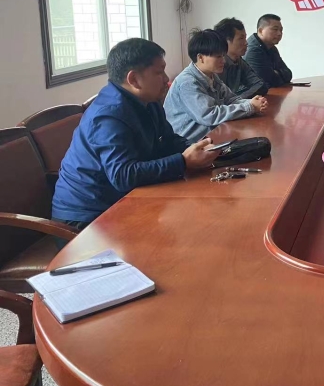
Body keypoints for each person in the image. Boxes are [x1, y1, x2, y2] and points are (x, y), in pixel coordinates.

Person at [51, 39, 220, 228]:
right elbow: (123, 176)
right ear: (133, 80)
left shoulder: (149, 100)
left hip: (125, 199)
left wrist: (197, 149)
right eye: (159, 72)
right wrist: (183, 161)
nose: (166, 79)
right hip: (87, 218)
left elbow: (168, 140)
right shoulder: (109, 115)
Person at [165, 29, 268, 142]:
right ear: (200, 57)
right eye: (218, 56)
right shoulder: (187, 82)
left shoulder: (211, 75)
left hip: (212, 133)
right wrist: (250, 107)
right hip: (190, 142)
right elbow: (210, 115)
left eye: (223, 56)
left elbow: (231, 100)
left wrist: (252, 103)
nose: (223, 60)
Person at [214, 17, 267, 98]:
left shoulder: (238, 61)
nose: (246, 43)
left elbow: (260, 85)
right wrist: (238, 101)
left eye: (245, 37)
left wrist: (238, 100)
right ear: (226, 41)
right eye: (241, 38)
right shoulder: (215, 64)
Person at [243, 14, 293, 89]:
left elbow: (289, 74)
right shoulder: (253, 50)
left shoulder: (272, 48)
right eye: (275, 29)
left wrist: (276, 73)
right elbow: (266, 81)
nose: (279, 33)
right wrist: (277, 73)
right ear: (260, 31)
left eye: (281, 30)